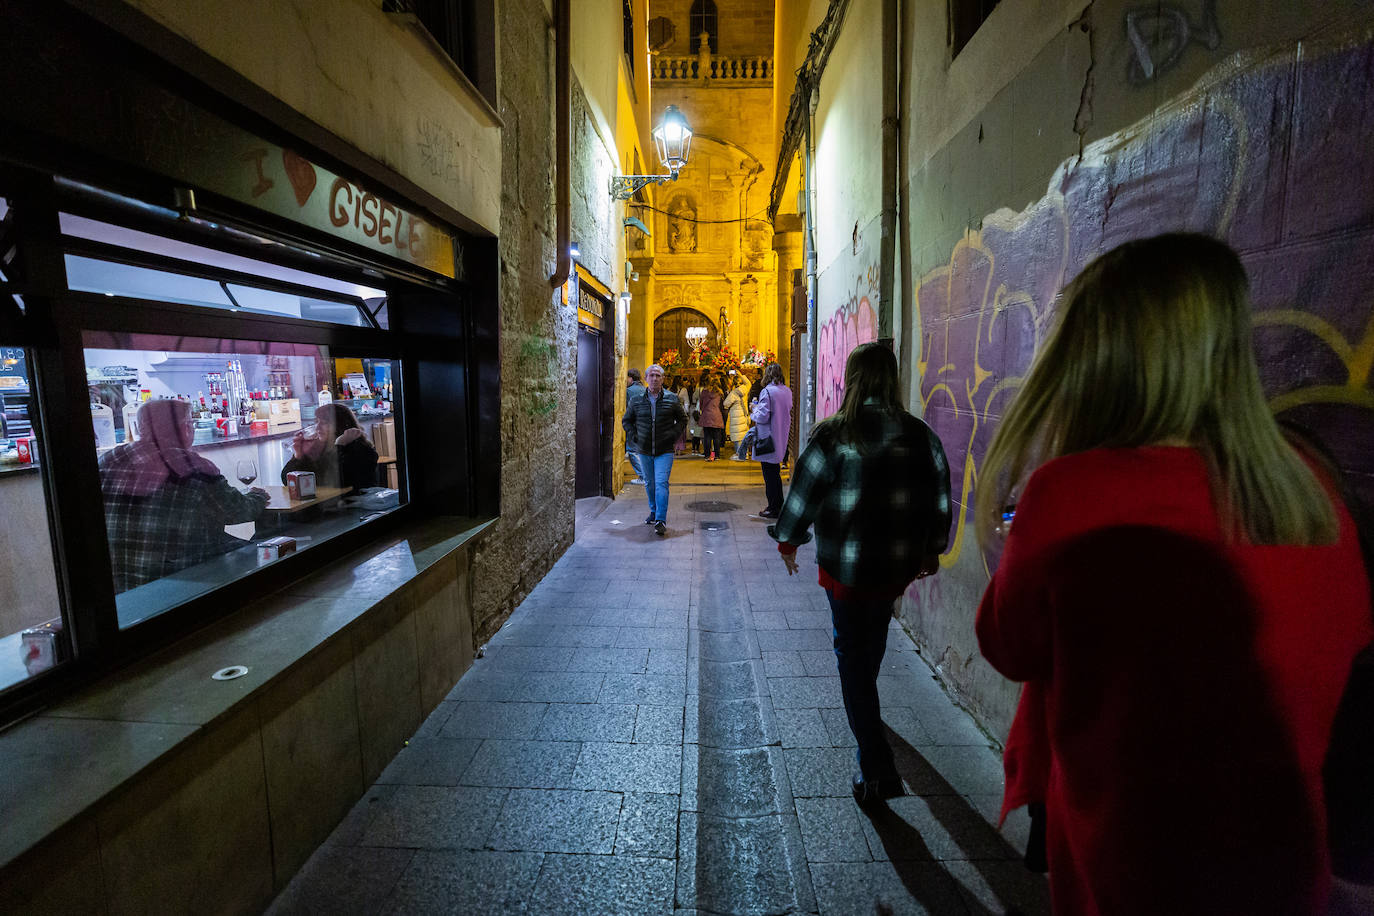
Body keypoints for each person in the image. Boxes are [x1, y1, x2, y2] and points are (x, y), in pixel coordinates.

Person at [972, 233, 1373, 915]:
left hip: (1127, 869)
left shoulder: (1071, 490)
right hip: (1286, 867)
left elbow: (1008, 645)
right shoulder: (1313, 494)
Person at [768, 343, 951, 803]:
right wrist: (932, 548)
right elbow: (941, 497)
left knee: (851, 653)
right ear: (892, 378)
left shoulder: (833, 435)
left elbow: (803, 491)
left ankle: (876, 766)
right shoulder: (921, 435)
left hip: (847, 568)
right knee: (873, 636)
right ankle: (866, 705)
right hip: (895, 566)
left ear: (852, 379)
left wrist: (789, 539)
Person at [100, 398, 270, 592]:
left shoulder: (107, 461)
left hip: (119, 586)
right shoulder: (193, 468)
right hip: (183, 582)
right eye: (190, 423)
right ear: (183, 429)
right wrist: (258, 497)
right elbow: (239, 512)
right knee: (263, 547)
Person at [621, 364, 687, 536]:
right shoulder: (636, 400)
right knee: (649, 483)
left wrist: (672, 435)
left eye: (658, 375)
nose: (655, 378)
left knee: (661, 483)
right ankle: (653, 511)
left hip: (664, 449)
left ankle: (660, 519)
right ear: (646, 378)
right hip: (644, 450)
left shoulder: (671, 398)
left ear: (663, 379)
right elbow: (627, 421)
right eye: (652, 375)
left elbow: (682, 419)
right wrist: (635, 436)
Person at [283, 402, 378, 494]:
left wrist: (340, 446)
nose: (317, 428)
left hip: (355, 507)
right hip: (326, 506)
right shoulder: (318, 449)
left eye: (324, 423)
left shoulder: (362, 449)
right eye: (317, 422)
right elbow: (288, 481)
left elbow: (338, 482)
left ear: (340, 425)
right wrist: (299, 455)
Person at [749, 363, 793, 518]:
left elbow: (762, 416)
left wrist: (753, 409)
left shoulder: (767, 392)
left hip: (768, 439)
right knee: (775, 474)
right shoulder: (786, 391)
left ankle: (773, 507)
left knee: (769, 475)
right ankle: (778, 505)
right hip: (781, 436)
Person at [722, 371, 751, 459]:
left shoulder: (733, 393)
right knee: (743, 435)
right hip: (744, 415)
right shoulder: (745, 389)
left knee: (737, 436)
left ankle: (739, 454)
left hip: (736, 417)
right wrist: (741, 374)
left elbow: (725, 404)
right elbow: (748, 382)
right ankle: (744, 453)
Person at [697, 374, 725, 461]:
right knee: (716, 437)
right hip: (716, 416)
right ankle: (716, 455)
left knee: (707, 437)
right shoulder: (720, 393)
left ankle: (707, 455)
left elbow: (701, 405)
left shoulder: (704, 392)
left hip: (706, 416)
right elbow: (722, 406)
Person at [626, 369, 647, 482]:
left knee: (632, 451)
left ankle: (643, 476)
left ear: (631, 378)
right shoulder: (645, 390)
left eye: (627, 378)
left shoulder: (628, 391)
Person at [671, 376, 690, 456]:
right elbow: (686, 402)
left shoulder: (670, 390)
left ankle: (674, 448)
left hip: (672, 412)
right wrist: (687, 412)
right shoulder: (684, 390)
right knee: (681, 431)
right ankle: (680, 449)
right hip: (680, 411)